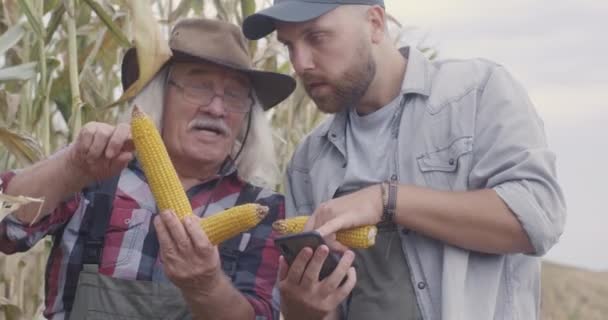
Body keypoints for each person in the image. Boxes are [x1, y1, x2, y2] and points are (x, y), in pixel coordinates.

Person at [242, 1, 567, 319]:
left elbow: (537, 217)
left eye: (317, 37)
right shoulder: (308, 160)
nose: (300, 64)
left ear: (375, 23)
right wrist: (303, 310)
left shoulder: (476, 94)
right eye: (289, 46)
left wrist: (385, 199)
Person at [0, 18, 295, 320]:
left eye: (234, 94)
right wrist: (70, 167)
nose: (217, 109)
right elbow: (6, 229)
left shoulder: (263, 210)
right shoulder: (96, 173)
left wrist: (206, 286)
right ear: (159, 94)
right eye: (199, 86)